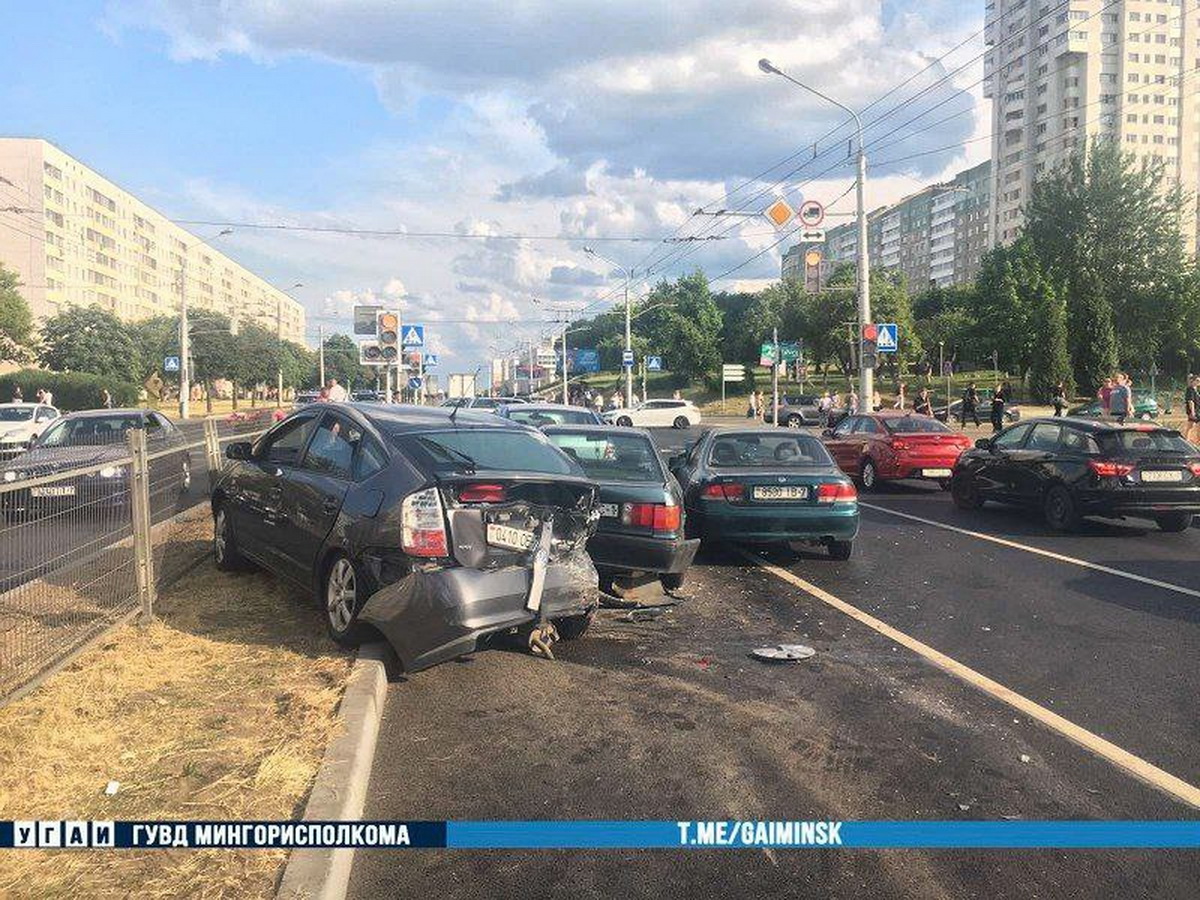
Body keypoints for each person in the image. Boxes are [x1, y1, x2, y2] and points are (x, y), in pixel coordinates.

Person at [1186, 375, 1200, 446]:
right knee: (1191, 426)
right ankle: (1187, 441)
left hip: (1197, 411)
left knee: (1191, 426)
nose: (1198, 382)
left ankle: (1188, 441)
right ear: (1193, 381)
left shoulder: (1195, 390)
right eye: (1197, 380)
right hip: (1194, 411)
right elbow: (1190, 401)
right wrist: (1193, 412)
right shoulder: (1190, 389)